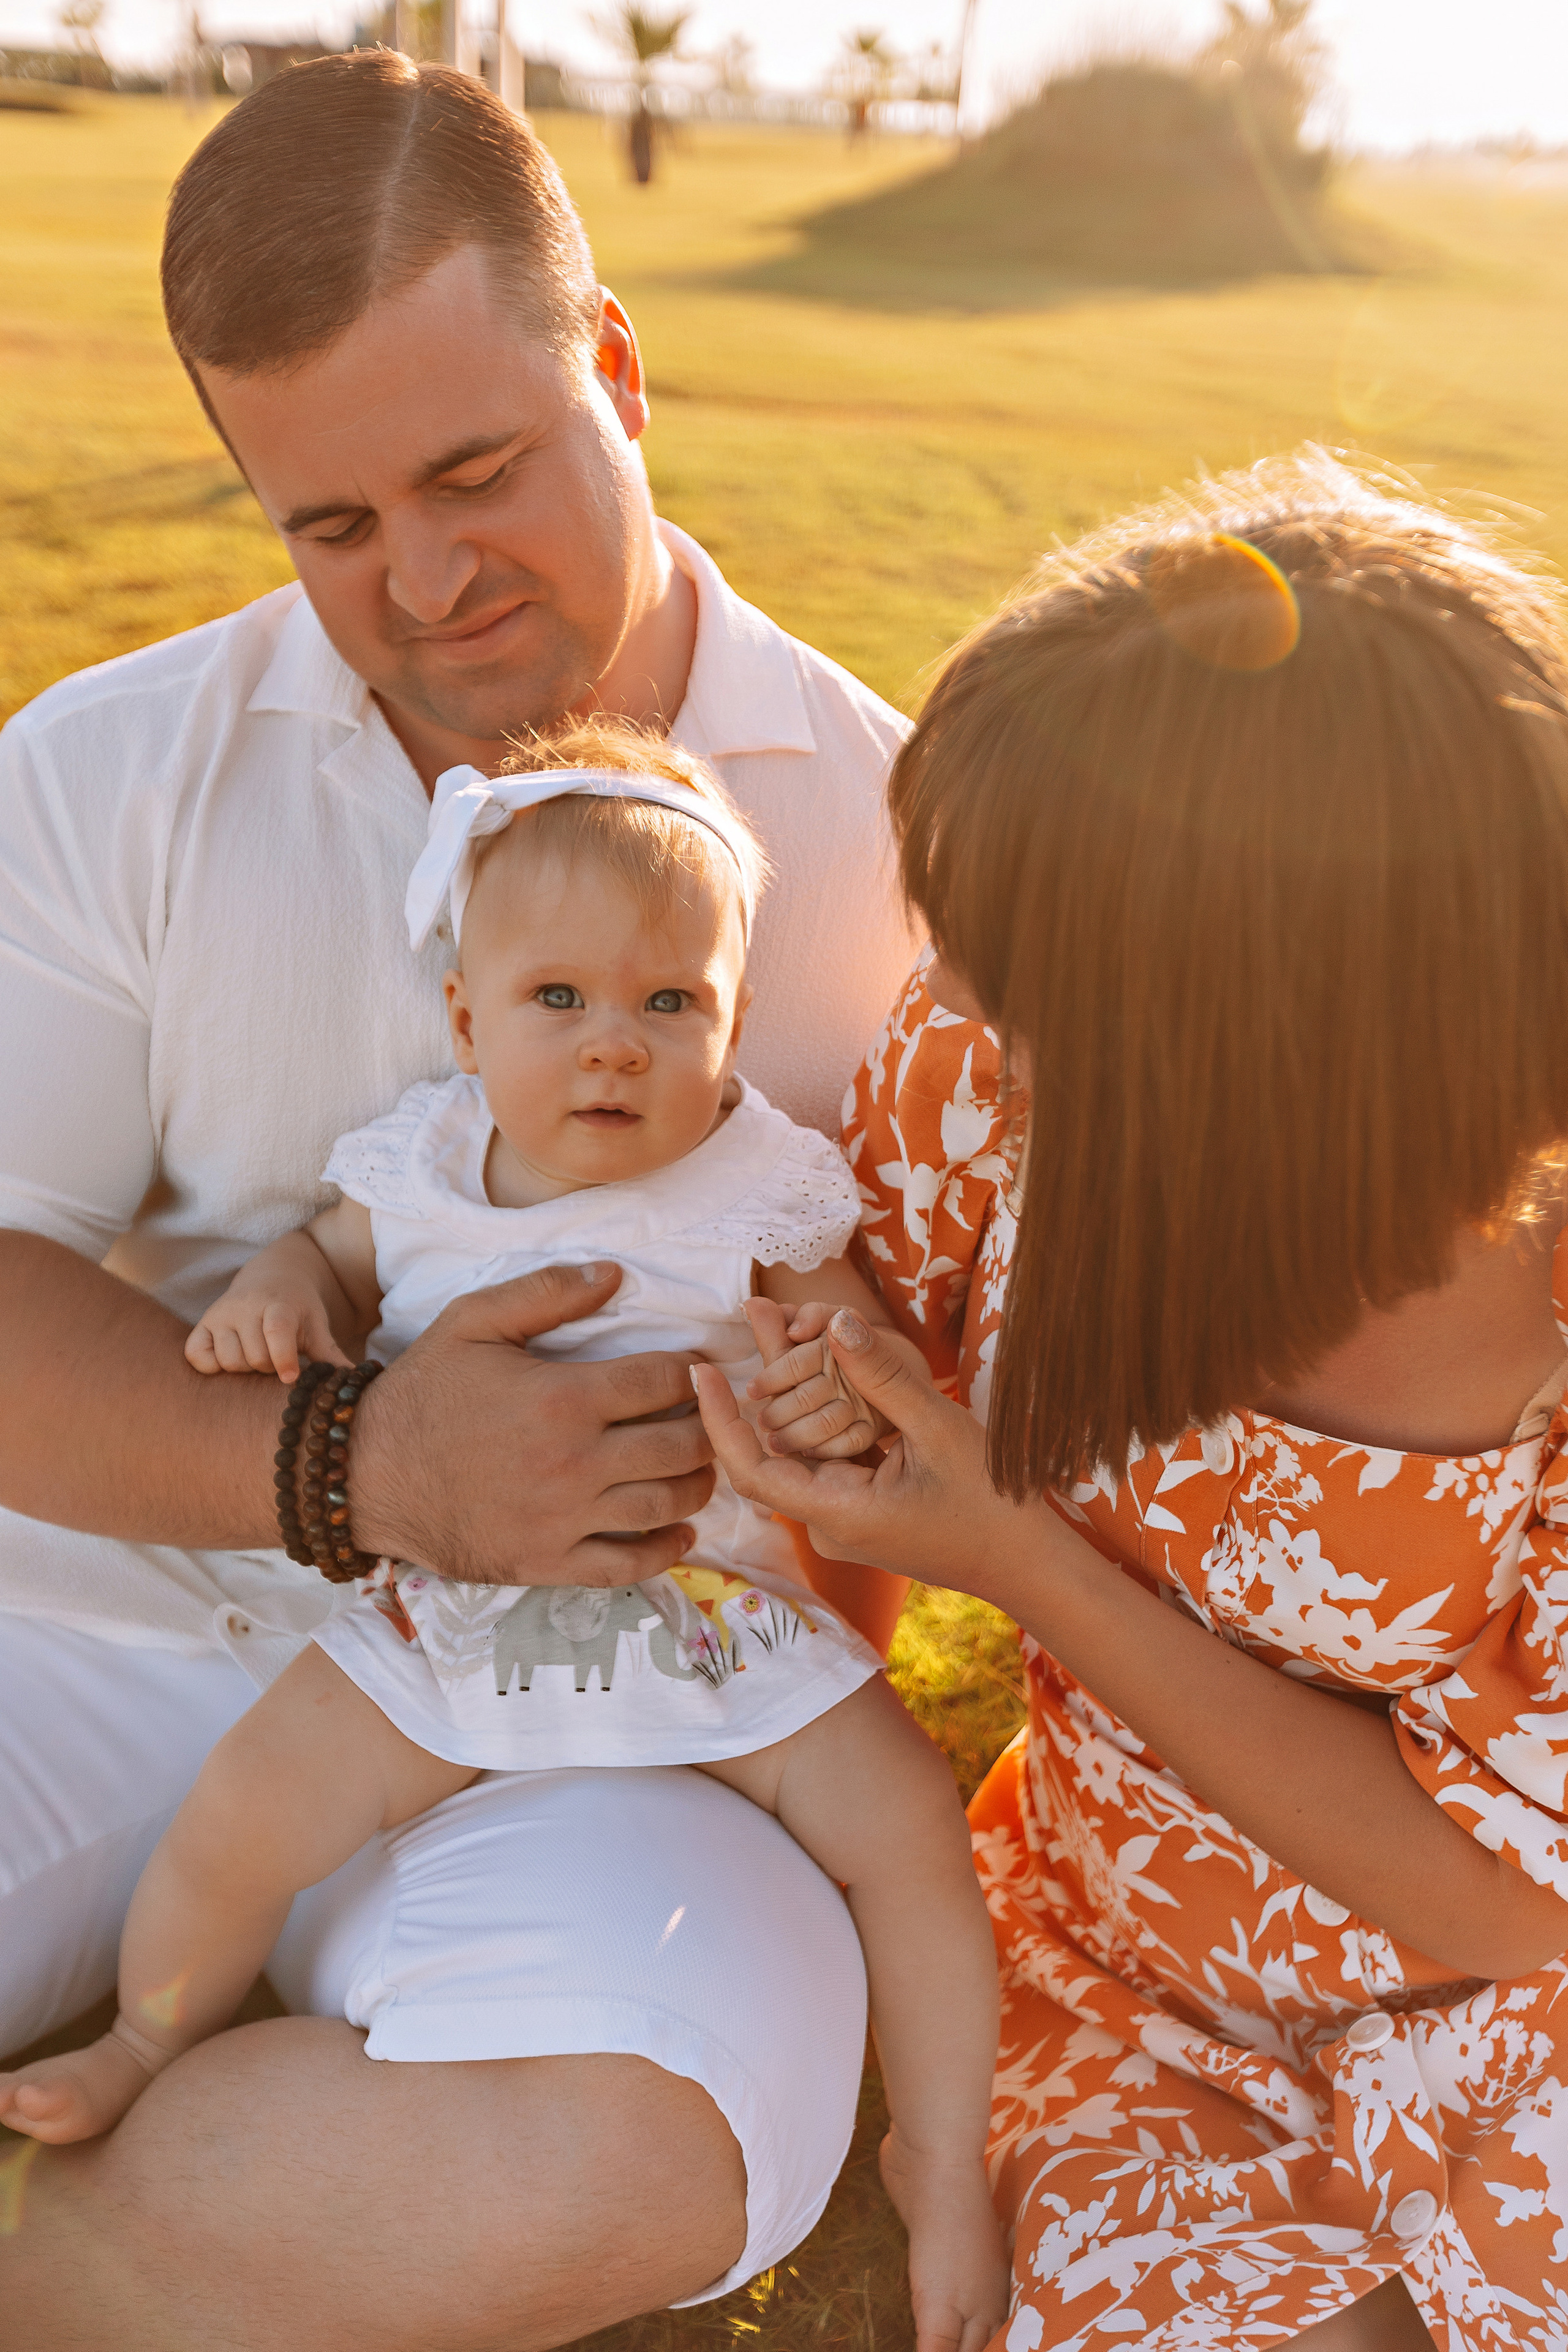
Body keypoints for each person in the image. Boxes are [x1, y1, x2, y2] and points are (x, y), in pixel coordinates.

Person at [0, 53, 918, 2351]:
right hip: (102, 1649)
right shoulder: (110, 773)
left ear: (615, 367)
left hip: (624, 1725)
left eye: (477, 472)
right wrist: (354, 1465)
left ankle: (90, 2263)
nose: (418, 583)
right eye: (325, 523)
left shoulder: (905, 844)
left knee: (642, 2146)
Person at [696, 454, 1568, 2352]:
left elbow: (1515, 1913)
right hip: (1126, 1967)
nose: (965, 1023)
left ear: (1283, 1047)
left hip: (1521, 2017)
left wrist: (1017, 1560)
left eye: (1033, 991)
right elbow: (815, 1247)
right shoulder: (986, 1063)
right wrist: (834, 1373)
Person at [0, 725, 1008, 2352]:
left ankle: (945, 2157)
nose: (615, 1046)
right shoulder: (418, 1174)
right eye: (560, 1001)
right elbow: (318, 1265)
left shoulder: (762, 1188)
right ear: (466, 1020)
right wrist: (273, 1301)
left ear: (733, 1022)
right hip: (448, 1624)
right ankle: (142, 2033)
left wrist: (831, 1395)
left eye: (668, 1003)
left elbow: (855, 1347)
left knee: (910, 1837)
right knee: (247, 1813)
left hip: (709, 1626)